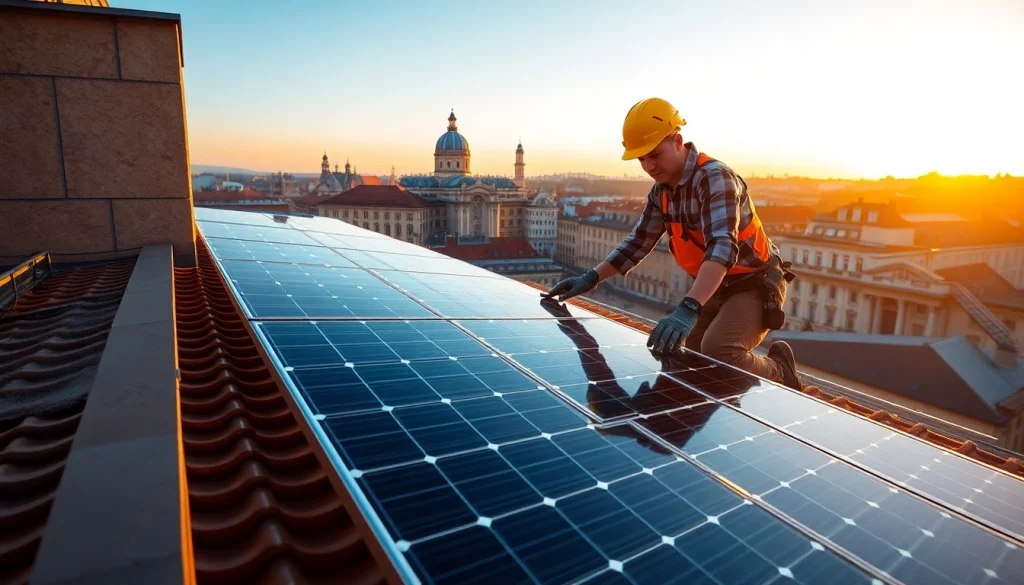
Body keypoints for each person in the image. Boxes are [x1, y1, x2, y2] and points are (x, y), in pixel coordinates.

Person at [542, 97, 802, 390]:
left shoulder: (715, 178)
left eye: (654, 154)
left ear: (678, 141)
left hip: (753, 282)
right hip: (717, 285)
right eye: (642, 159)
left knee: (720, 349)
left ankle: (780, 370)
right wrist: (591, 278)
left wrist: (688, 308)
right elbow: (638, 241)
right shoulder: (661, 193)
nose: (648, 166)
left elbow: (722, 246)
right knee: (688, 352)